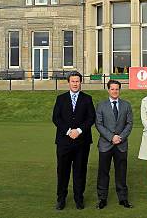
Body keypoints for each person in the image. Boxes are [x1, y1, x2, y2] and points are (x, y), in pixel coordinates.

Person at [52, 71, 95, 210]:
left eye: (77, 81)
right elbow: (56, 118)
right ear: (68, 82)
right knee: (62, 172)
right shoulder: (60, 99)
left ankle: (79, 199)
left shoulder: (87, 99)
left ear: (80, 82)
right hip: (64, 142)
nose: (75, 84)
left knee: (80, 171)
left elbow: (91, 118)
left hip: (82, 142)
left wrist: (79, 131)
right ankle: (61, 199)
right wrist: (69, 131)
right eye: (73, 81)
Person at [94, 79, 134, 209]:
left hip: (121, 145)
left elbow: (129, 123)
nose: (115, 91)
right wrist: (111, 137)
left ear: (119, 90)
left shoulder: (126, 105)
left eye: (117, 89)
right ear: (108, 90)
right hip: (106, 144)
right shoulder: (101, 105)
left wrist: (120, 137)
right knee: (103, 172)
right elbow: (98, 124)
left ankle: (123, 198)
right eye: (112, 89)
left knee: (121, 172)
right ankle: (102, 199)